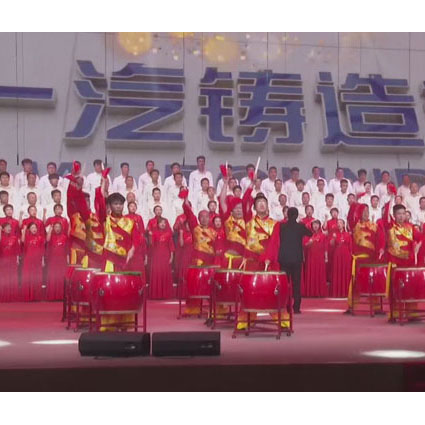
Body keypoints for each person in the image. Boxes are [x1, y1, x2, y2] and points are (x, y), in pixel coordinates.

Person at [265, 207, 312, 313]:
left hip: (284, 258)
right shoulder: (300, 226)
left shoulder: (282, 226)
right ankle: (296, 307)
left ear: (287, 215)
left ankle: (285, 305)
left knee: (284, 283)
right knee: (296, 284)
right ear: (297, 215)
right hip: (296, 259)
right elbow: (310, 233)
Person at [149, 217, 175, 299]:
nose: (163, 224)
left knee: (165, 273)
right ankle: (156, 295)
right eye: (161, 223)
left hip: (166, 255)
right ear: (158, 224)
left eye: (164, 223)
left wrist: (171, 256)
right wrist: (150, 236)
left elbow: (171, 246)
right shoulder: (154, 233)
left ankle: (166, 295)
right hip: (156, 256)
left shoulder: (168, 234)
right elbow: (151, 245)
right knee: (157, 273)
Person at [302, 219, 327, 297]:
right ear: (311, 226)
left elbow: (325, 247)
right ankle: (311, 292)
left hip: (320, 257)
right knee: (311, 274)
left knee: (319, 273)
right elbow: (304, 246)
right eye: (314, 224)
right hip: (310, 257)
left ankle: (320, 292)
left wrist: (326, 257)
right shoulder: (308, 235)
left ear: (319, 225)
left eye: (317, 224)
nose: (315, 226)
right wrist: (309, 243)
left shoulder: (323, 235)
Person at [21, 222, 45, 301]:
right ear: (29, 229)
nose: (34, 229)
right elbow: (22, 241)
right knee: (28, 276)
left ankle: (36, 296)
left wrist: (42, 260)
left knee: (36, 277)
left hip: (37, 260)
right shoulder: (27, 237)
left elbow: (42, 250)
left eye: (35, 227)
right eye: (32, 228)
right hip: (28, 260)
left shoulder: (40, 238)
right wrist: (24, 230)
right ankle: (28, 296)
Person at [45, 222, 69, 301]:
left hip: (62, 260)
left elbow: (67, 250)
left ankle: (61, 296)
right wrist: (50, 229)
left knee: (61, 277)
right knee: (53, 277)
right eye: (56, 227)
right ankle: (52, 296)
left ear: (61, 228)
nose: (57, 228)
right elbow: (47, 240)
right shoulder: (51, 236)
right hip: (53, 260)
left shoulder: (64, 237)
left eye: (58, 227)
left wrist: (68, 260)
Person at [329, 219, 352, 298]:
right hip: (337, 256)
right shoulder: (334, 234)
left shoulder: (347, 234)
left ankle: (346, 292)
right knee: (337, 272)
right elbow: (331, 244)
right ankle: (337, 292)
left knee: (345, 272)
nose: (339, 224)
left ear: (343, 224)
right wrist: (334, 238)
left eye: (340, 223)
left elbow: (350, 247)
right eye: (337, 223)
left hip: (346, 256)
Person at [0, 222, 20, 302]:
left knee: (12, 277)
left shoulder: (14, 238)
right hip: (3, 261)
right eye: (7, 227)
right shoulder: (1, 238)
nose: (9, 228)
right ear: (3, 229)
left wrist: (17, 259)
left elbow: (17, 249)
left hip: (12, 260)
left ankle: (13, 296)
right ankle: (3, 296)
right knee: (4, 277)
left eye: (10, 227)